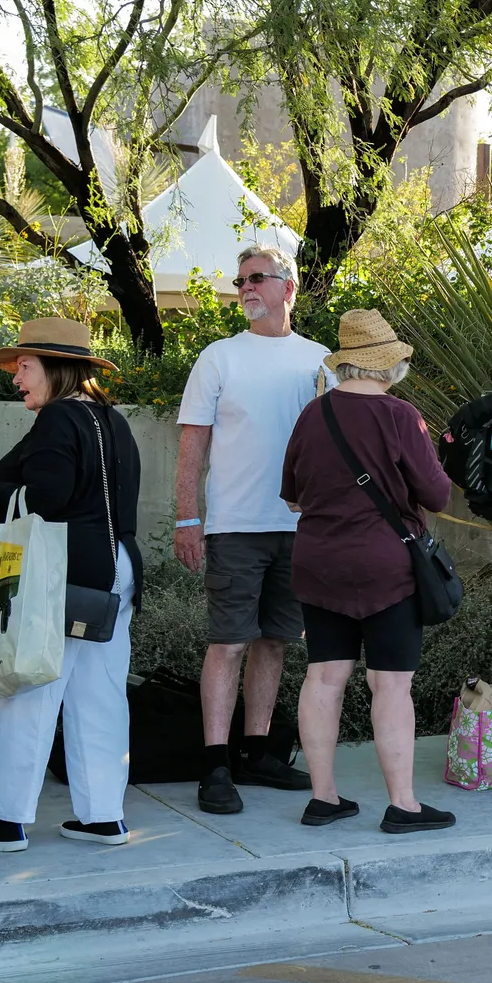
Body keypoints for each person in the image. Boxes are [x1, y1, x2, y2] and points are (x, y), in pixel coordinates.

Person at [0, 318, 143, 851]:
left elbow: (49, 499)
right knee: (100, 695)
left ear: (55, 368)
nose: (16, 378)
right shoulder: (112, 419)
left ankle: (9, 820)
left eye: (25, 366)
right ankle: (104, 816)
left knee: (25, 687)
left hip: (60, 570)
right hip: (115, 568)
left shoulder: (60, 417)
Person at [279, 311, 456, 832]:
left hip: (318, 562)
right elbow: (438, 494)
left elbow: (291, 495)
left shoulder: (313, 415)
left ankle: (323, 797)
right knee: (390, 685)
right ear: (391, 363)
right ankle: (403, 805)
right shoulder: (401, 416)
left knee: (323, 676)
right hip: (387, 567)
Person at [174, 244, 325, 815]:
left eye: (258, 278)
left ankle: (257, 752)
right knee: (229, 642)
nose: (246, 289)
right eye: (240, 281)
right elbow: (193, 445)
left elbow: (334, 446)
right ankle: (216, 764)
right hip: (234, 526)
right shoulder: (219, 357)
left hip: (299, 527)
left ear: (289, 288)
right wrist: (189, 518)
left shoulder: (320, 360)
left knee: (274, 641)